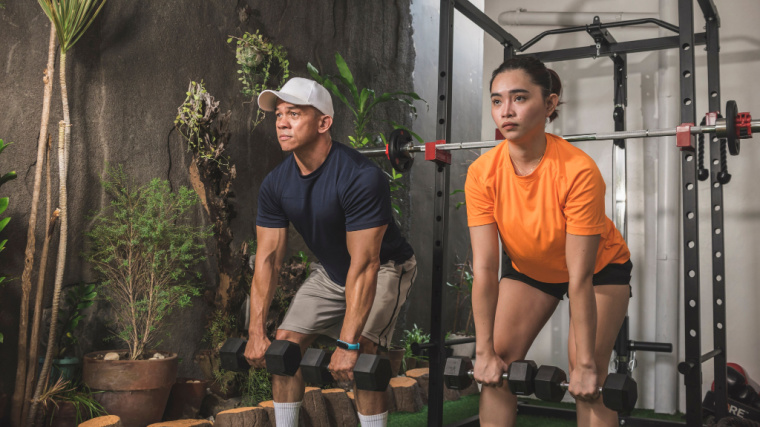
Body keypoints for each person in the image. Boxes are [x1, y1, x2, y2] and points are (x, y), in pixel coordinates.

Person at [464, 57, 632, 427]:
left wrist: (586, 365)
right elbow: (486, 268)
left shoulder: (577, 171)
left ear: (550, 104)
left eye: (519, 98)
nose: (505, 111)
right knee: (498, 367)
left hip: (598, 271)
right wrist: (483, 352)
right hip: (531, 269)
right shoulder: (481, 173)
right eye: (496, 101)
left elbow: (580, 277)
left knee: (588, 380)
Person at [245, 77, 416, 427]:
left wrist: (348, 344)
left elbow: (366, 264)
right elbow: (268, 259)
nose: (281, 122)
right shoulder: (276, 183)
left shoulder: (361, 177)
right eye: (278, 114)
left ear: (324, 123)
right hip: (332, 272)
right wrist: (255, 332)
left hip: (384, 268)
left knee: (364, 355)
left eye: (294, 113)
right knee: (283, 350)